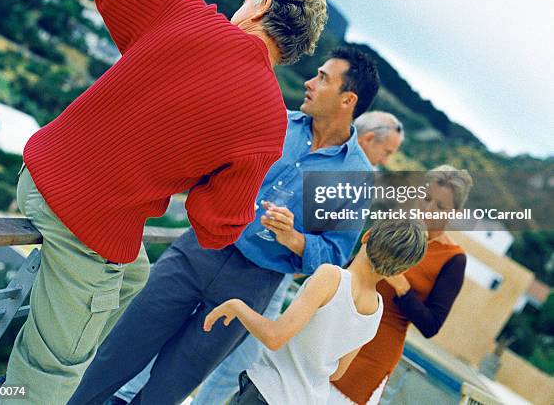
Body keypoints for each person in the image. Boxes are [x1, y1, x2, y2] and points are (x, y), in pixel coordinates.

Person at [0, 0, 328, 404]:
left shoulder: (182, 13)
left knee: (135, 279)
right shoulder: (267, 124)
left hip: (39, 174)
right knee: (46, 382)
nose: (241, 1)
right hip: (84, 225)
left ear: (263, 5)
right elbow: (216, 224)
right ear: (293, 49)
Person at [69, 46, 380, 405]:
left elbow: (335, 256)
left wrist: (294, 238)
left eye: (323, 78)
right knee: (115, 355)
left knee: (167, 389)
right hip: (197, 251)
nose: (309, 83)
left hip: (252, 285)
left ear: (348, 100)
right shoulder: (274, 122)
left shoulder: (355, 177)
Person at [191, 110, 405, 405]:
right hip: (238, 260)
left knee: (239, 360)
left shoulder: (357, 186)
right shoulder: (373, 307)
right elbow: (336, 372)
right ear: (369, 138)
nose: (385, 160)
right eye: (387, 151)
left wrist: (295, 241)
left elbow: (333, 252)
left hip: (277, 280)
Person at [208, 219, 428, 405]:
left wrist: (237, 306)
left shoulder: (331, 277)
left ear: (366, 236)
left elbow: (274, 337)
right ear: (403, 270)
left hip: (268, 393)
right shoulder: (376, 310)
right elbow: (337, 372)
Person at [329, 165, 473, 405]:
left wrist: (402, 286)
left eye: (440, 206)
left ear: (455, 213)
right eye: (426, 199)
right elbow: (348, 270)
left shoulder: (453, 259)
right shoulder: (394, 225)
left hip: (373, 355)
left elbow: (431, 325)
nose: (428, 209)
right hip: (337, 329)